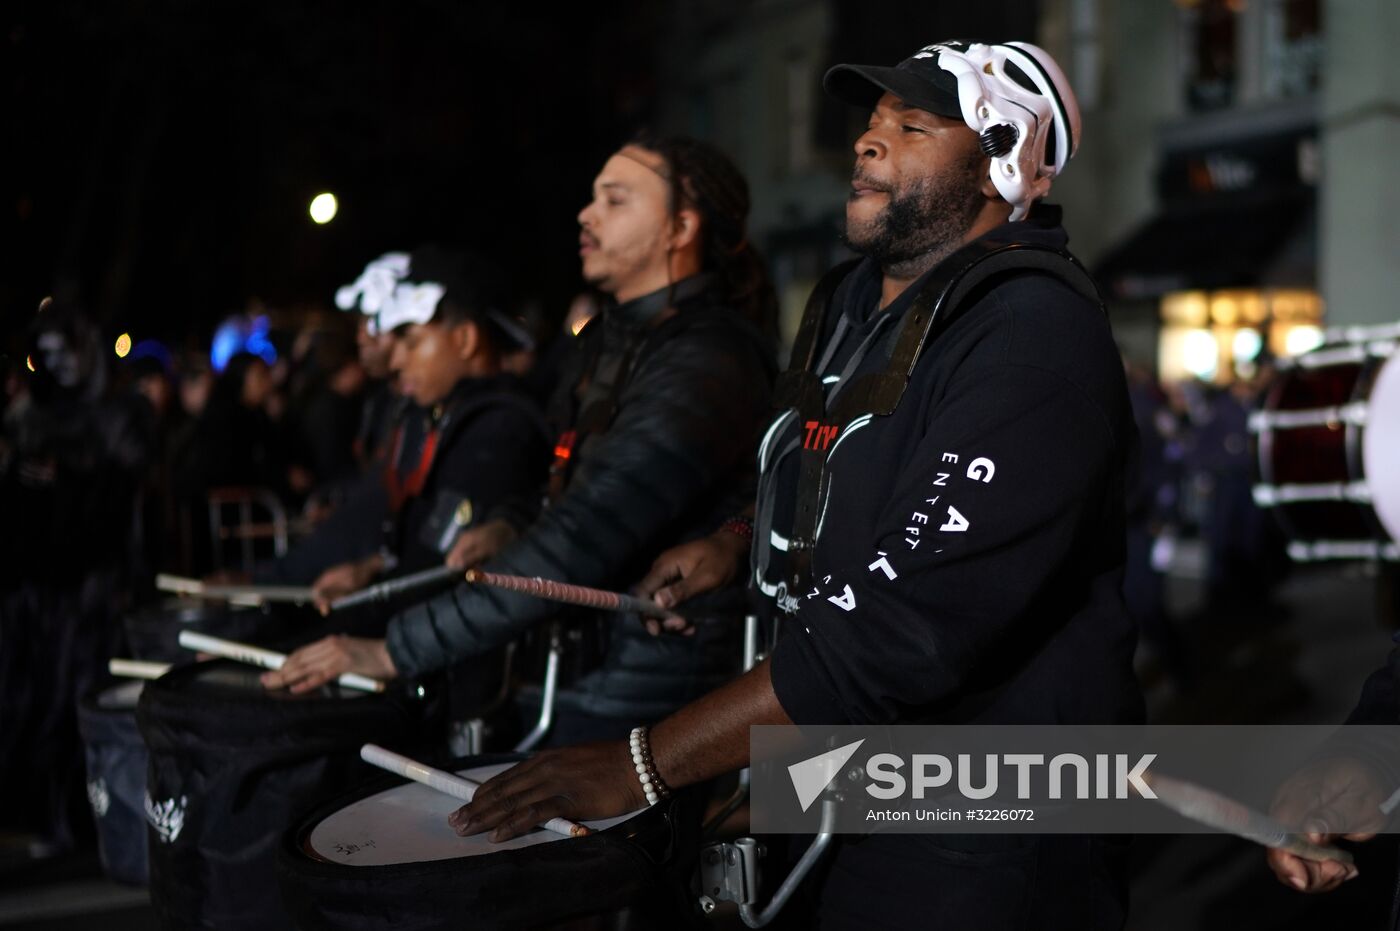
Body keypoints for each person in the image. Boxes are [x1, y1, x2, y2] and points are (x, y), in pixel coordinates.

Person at [441, 40, 1143, 929]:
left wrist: (643, 761)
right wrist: (737, 542)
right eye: (872, 121)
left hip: (979, 830)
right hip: (831, 783)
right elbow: (823, 466)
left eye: (913, 125)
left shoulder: (1031, 330)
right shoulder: (849, 301)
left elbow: (905, 623)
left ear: (1002, 161)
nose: (867, 142)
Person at [265, 133, 778, 745]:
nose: (587, 215)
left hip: (656, 697)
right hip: (572, 671)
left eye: (615, 201)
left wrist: (393, 651)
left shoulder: (707, 357)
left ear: (681, 227)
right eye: (592, 199)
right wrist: (509, 522)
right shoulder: (605, 344)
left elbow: (589, 530)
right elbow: (555, 485)